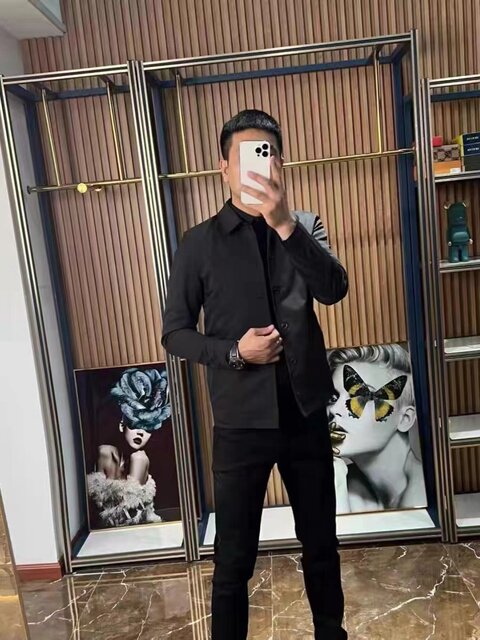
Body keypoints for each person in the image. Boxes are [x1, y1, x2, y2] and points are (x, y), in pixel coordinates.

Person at [162, 109, 348, 640]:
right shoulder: (198, 243)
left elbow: (333, 289)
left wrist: (285, 223)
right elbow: (175, 334)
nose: (255, 166)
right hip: (239, 421)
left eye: (266, 154)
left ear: (279, 163)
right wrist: (235, 352)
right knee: (233, 560)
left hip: (304, 413)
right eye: (243, 156)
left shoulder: (305, 225)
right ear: (223, 167)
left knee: (321, 546)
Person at [328, 344, 427, 514]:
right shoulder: (348, 482)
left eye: (360, 397)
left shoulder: (421, 497)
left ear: (405, 419)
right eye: (333, 397)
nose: (334, 409)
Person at [87, 367, 171, 528]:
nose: (140, 432)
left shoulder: (140, 459)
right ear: (122, 425)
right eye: (135, 424)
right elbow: (112, 517)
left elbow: (136, 516)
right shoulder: (107, 454)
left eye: (148, 427)